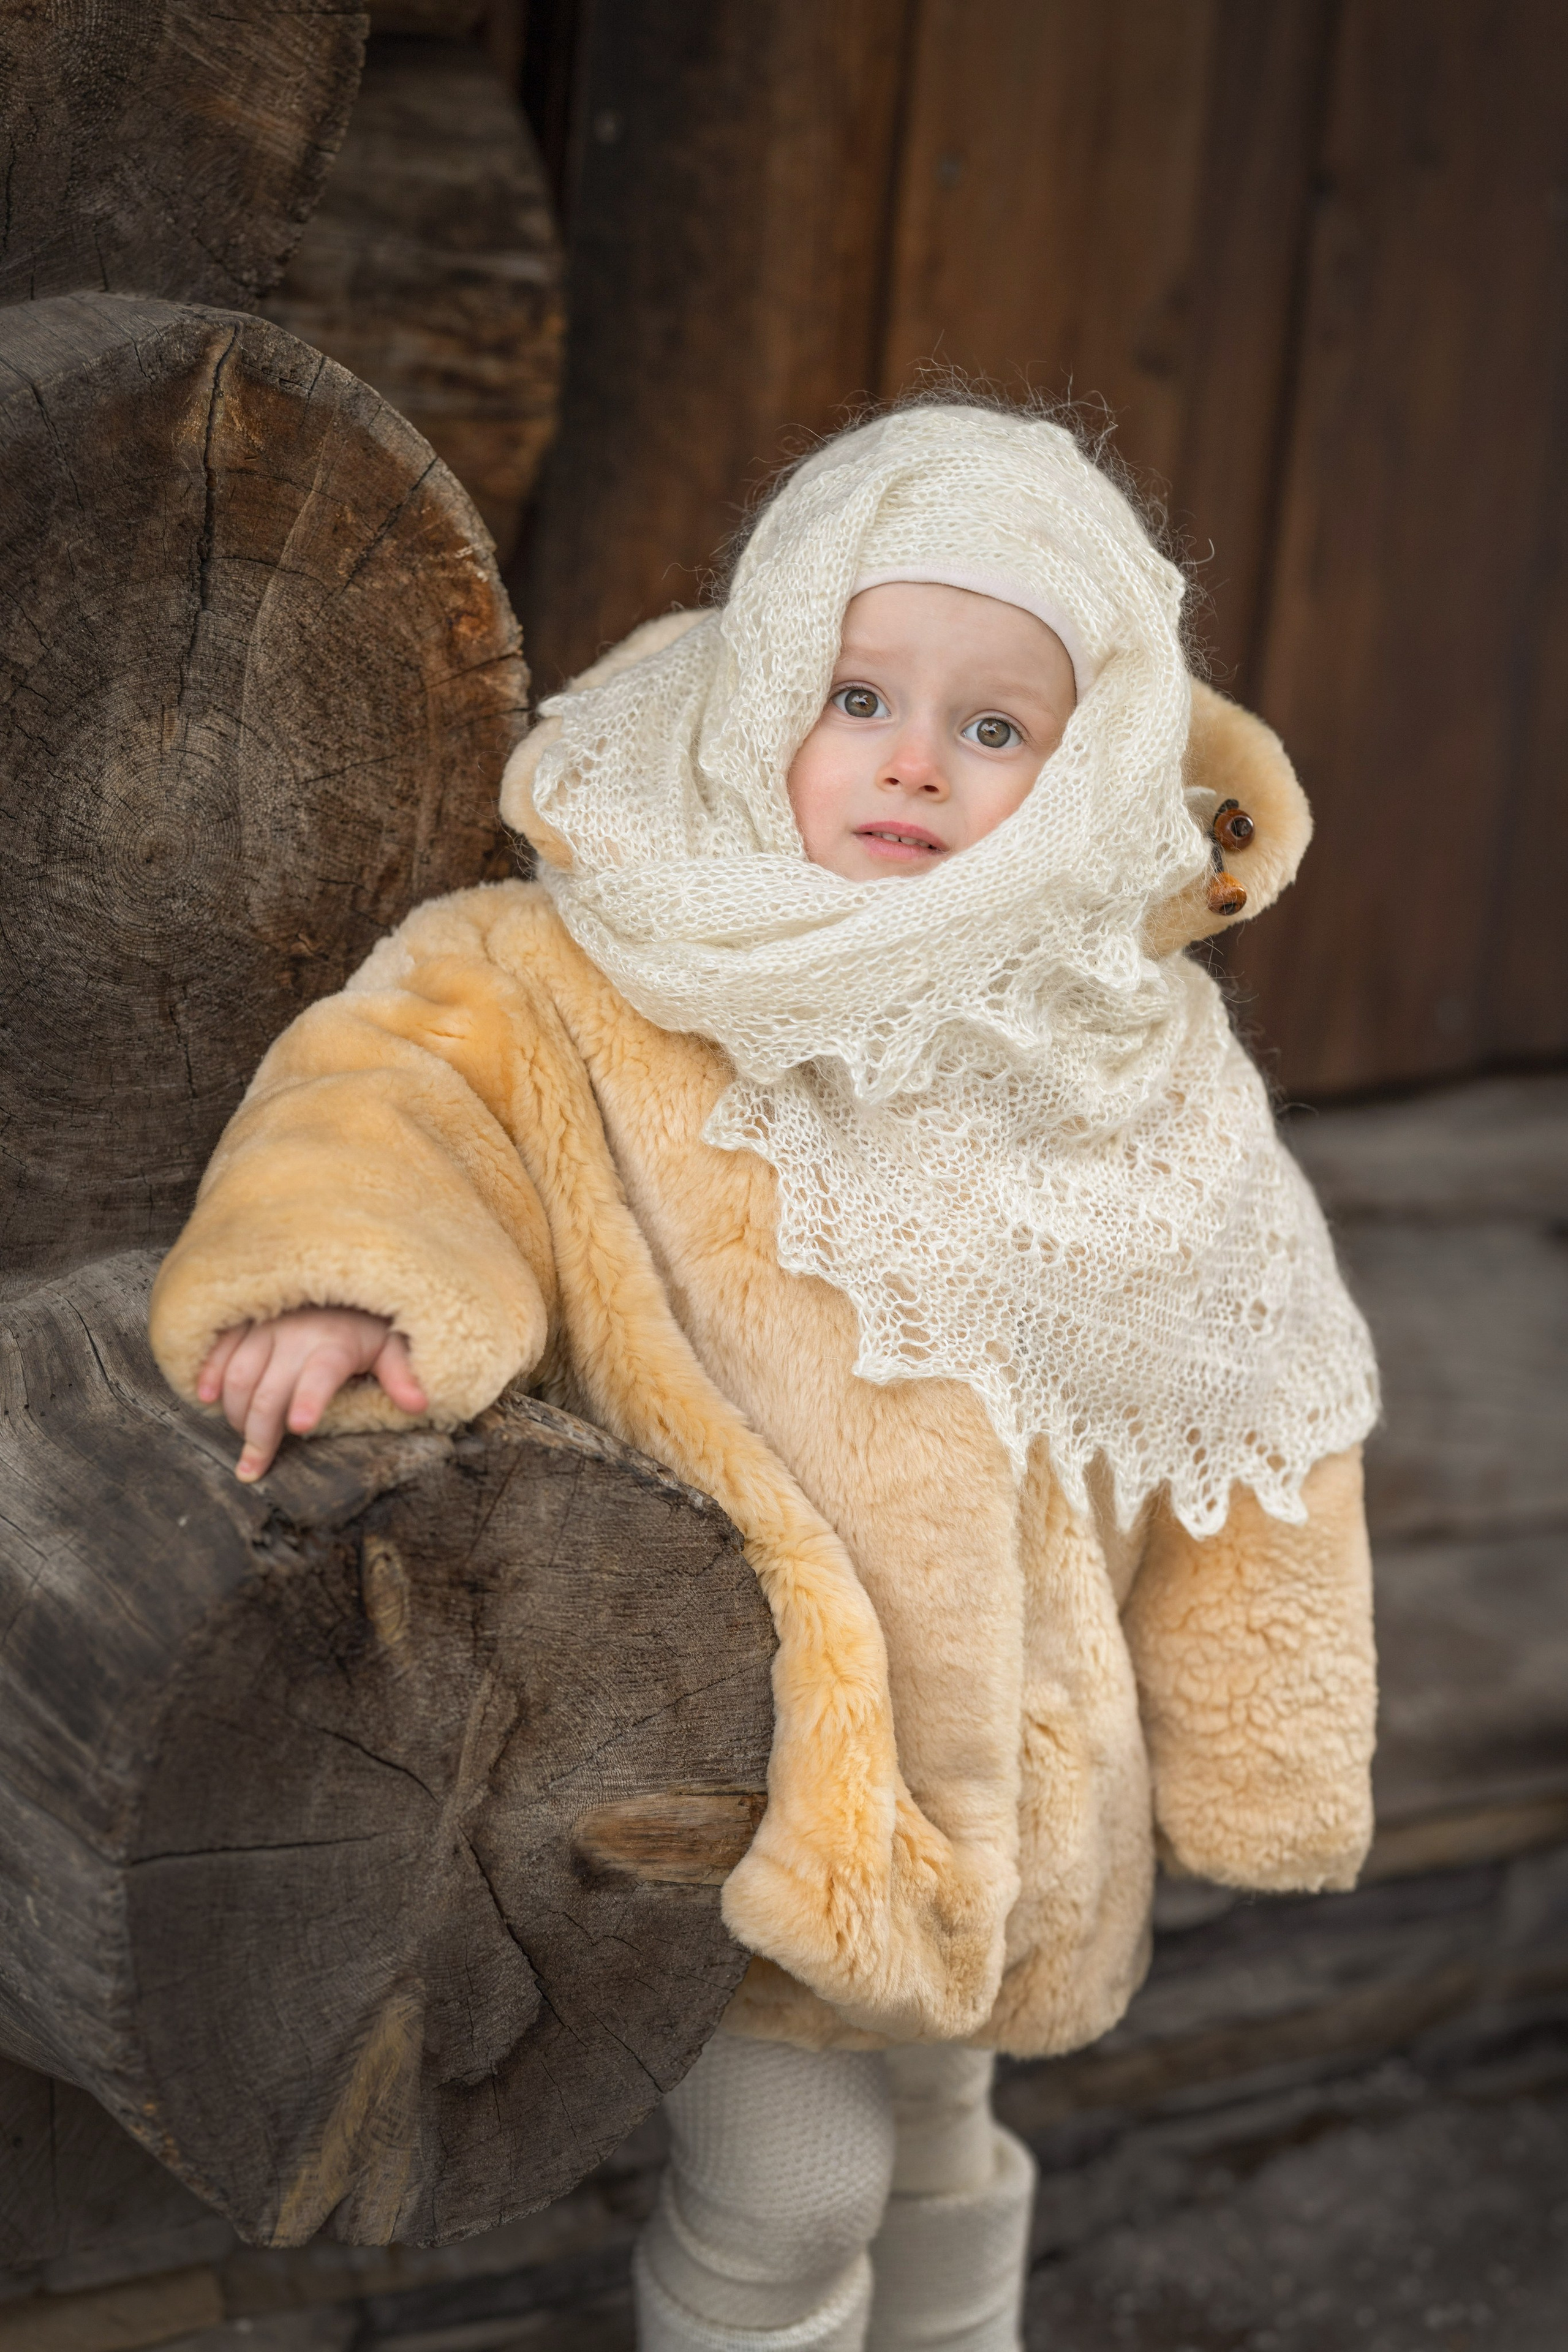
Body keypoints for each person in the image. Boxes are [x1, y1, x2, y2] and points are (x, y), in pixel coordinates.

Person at [149, 402, 1380, 2352]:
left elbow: (1267, 1440)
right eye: (858, 692)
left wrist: (1257, 1760)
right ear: (755, 699)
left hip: (1026, 1780)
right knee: (797, 2196)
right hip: (743, 1758)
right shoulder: (599, 964)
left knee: (949, 2147)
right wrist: (353, 1275)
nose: (913, 759)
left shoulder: (1126, 1059)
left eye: (997, 728)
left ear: (1090, 774)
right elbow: (408, 1080)